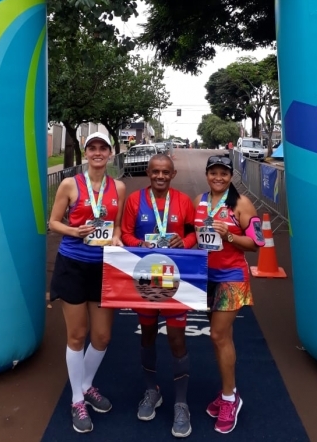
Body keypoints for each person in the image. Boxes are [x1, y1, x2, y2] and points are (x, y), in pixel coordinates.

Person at [49, 132, 126, 434]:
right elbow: (53, 222)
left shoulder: (118, 187)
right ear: (86, 152)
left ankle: (85, 384)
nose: (97, 152)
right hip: (73, 265)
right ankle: (77, 399)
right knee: (77, 335)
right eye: (92, 148)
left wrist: (116, 237)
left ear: (109, 153)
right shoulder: (70, 184)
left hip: (104, 267)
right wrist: (74, 231)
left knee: (103, 336)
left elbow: (116, 226)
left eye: (102, 148)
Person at [121, 154, 197, 438]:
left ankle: (181, 403)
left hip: (175, 279)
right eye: (155, 172)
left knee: (177, 340)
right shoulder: (134, 200)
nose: (160, 176)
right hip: (146, 278)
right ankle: (152, 391)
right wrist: (139, 244)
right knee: (148, 335)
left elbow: (193, 233)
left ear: (173, 174)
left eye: (166, 172)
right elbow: (125, 234)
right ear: (148, 172)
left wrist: (184, 241)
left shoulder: (183, 201)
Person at [193, 155, 265, 435]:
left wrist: (229, 237)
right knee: (222, 338)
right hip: (206, 276)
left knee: (217, 335)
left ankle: (229, 399)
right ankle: (228, 392)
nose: (218, 178)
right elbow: (193, 235)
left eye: (223, 173)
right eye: (213, 172)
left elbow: (257, 242)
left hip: (232, 276)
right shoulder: (199, 201)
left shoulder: (241, 203)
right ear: (207, 175)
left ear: (230, 176)